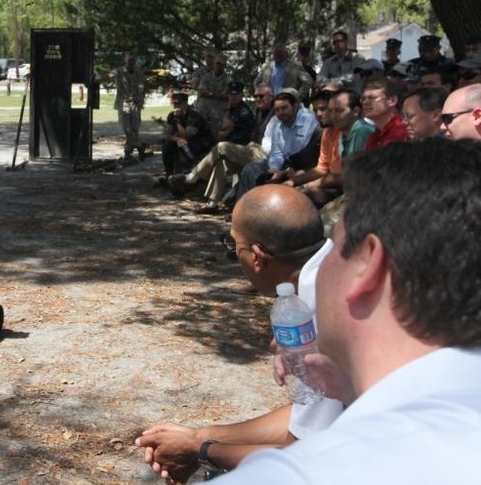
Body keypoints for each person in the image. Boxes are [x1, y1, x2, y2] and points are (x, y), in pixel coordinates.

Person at [214, 139, 481, 483]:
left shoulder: (310, 472)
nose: (319, 266)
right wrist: (351, 389)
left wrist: (203, 448)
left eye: (335, 247)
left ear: (368, 264)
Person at [135, 185, 339, 482]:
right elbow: (307, 416)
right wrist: (202, 435)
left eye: (234, 247)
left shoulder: (320, 315)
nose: (236, 258)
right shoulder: (335, 270)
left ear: (257, 256)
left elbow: (306, 454)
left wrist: (202, 451)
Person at [168, 81, 259, 213]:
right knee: (220, 163)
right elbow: (223, 131)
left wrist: (226, 129)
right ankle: (212, 204)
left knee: (221, 147)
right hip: (233, 147)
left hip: (243, 148)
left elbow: (226, 130)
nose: (233, 97)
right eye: (230, 94)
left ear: (242, 94)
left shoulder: (244, 111)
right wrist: (227, 113)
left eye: (236, 94)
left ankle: (192, 178)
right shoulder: (232, 109)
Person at [233, 90, 321, 199]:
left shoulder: (309, 121)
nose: (281, 113)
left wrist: (286, 172)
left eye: (284, 108)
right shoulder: (277, 124)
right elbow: (277, 153)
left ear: (295, 106)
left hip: (304, 164)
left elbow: (309, 154)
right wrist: (275, 170)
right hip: (285, 163)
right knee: (251, 169)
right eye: (277, 110)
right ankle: (244, 208)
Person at [161, 92, 215, 178]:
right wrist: (176, 139)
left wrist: (178, 121)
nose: (175, 106)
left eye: (178, 104)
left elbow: (186, 136)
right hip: (184, 140)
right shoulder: (172, 115)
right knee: (167, 145)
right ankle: (169, 174)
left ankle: (186, 174)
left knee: (184, 145)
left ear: (185, 103)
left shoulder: (194, 116)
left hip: (201, 142)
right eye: (174, 104)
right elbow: (167, 134)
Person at [112, 52, 147, 160]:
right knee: (126, 128)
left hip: (136, 102)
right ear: (125, 61)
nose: (131, 62)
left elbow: (142, 87)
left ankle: (128, 151)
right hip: (124, 103)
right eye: (129, 60)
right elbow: (108, 76)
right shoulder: (119, 71)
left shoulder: (139, 72)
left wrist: (140, 98)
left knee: (135, 128)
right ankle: (140, 146)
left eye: (133, 60)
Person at [360, 77, 409, 149]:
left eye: (372, 98)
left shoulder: (404, 132)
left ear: (392, 100)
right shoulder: (374, 136)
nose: (365, 102)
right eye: (363, 99)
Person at [195, 54, 231, 142]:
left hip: (218, 113)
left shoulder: (228, 79)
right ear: (214, 64)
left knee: (216, 137)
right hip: (204, 111)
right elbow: (202, 92)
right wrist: (216, 95)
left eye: (221, 64)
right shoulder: (205, 77)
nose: (219, 66)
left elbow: (226, 95)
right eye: (217, 63)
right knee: (200, 133)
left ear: (224, 66)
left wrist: (210, 94)